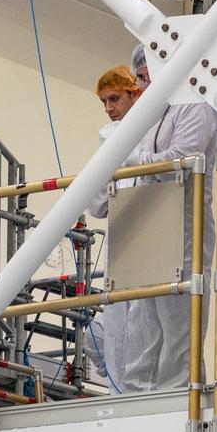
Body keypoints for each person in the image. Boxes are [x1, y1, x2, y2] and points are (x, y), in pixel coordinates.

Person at [123, 43, 217, 392]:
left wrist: (138, 164)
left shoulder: (193, 106)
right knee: (143, 319)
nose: (142, 83)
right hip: (147, 219)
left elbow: (183, 158)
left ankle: (178, 393)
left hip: (183, 222)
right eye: (140, 78)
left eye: (146, 76)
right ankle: (137, 394)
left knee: (179, 316)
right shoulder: (147, 115)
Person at [84, 65, 144, 393]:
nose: (109, 109)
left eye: (114, 99)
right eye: (104, 102)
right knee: (106, 334)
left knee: (143, 337)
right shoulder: (110, 141)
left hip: (154, 251)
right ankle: (120, 396)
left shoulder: (153, 134)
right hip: (121, 255)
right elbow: (95, 205)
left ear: (135, 95)